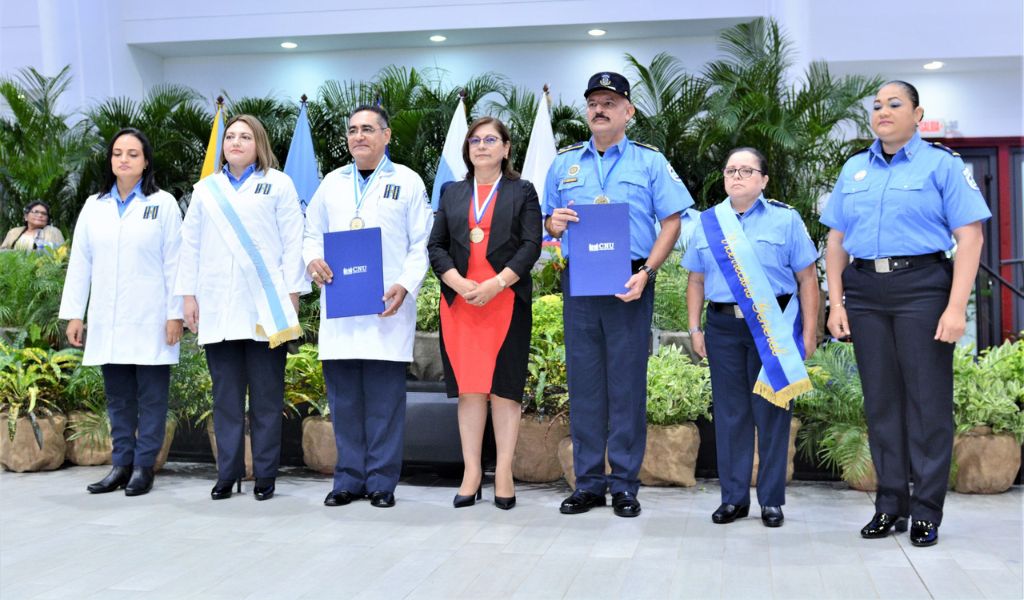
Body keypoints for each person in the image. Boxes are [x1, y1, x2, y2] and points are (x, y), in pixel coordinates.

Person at [821, 81, 989, 547]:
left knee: (926, 403)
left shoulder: (942, 165)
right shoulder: (854, 168)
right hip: (865, 291)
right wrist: (837, 302)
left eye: (894, 104)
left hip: (922, 288)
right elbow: (835, 241)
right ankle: (890, 504)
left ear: (918, 114)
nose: (883, 111)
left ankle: (926, 511)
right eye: (876, 106)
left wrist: (956, 308)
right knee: (881, 403)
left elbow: (970, 237)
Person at [543, 72, 693, 518]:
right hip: (581, 282)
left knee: (626, 385)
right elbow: (550, 223)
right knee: (585, 383)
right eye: (593, 102)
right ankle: (588, 483)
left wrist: (648, 271)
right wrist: (554, 225)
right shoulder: (563, 163)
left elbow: (672, 222)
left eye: (610, 101)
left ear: (628, 111)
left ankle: (625, 484)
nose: (599, 109)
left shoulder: (649, 162)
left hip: (631, 280)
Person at [304, 105, 433, 509]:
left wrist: (405, 284)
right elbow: (310, 234)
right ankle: (347, 479)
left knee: (383, 403)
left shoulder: (408, 182)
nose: (359, 137)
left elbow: (421, 243)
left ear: (387, 135)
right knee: (344, 403)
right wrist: (312, 259)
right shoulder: (331, 182)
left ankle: (380, 482)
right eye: (353, 130)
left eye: (368, 129)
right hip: (341, 310)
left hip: (385, 309)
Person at [683, 147, 819, 528]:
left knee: (773, 413)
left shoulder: (785, 220)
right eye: (730, 170)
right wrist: (695, 328)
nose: (737, 177)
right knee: (730, 416)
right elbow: (695, 280)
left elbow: (808, 279)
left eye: (746, 170)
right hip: (723, 327)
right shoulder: (708, 223)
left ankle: (772, 500)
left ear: (763, 180)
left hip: (772, 328)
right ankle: (733, 499)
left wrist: (809, 332)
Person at [175, 114, 306, 502]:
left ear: (258, 143)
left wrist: (292, 297)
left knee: (267, 400)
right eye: (230, 136)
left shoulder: (278, 184)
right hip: (218, 308)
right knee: (225, 400)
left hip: (266, 311)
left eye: (244, 136)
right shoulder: (206, 190)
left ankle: (265, 476)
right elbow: (191, 246)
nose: (235, 142)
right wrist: (188, 296)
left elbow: (292, 243)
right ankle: (227, 473)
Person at [59, 127, 182, 496]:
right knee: (118, 398)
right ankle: (120, 464)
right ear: (110, 161)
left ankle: (144, 467)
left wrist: (175, 314)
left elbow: (175, 263)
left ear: (146, 162)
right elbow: (80, 261)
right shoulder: (94, 206)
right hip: (108, 320)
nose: (123, 159)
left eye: (132, 153)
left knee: (152, 398)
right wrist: (75, 314)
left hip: (151, 318)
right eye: (117, 153)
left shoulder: (164, 204)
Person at [427, 117, 542, 509]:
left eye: (491, 139)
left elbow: (531, 245)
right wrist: (457, 282)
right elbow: (436, 246)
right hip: (460, 303)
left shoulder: (522, 191)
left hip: (504, 299)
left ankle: (505, 472)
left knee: (505, 392)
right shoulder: (452, 192)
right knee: (470, 391)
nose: (482, 146)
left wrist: (496, 284)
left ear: (506, 148)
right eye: (475, 140)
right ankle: (472, 472)